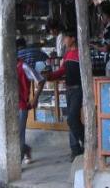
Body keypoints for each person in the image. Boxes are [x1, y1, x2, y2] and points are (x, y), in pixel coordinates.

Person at [44, 30, 84, 160]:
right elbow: (62, 70)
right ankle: (75, 149)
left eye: (66, 38)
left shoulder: (81, 53)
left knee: (71, 119)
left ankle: (86, 140)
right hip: (69, 90)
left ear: (73, 38)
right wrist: (51, 76)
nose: (64, 40)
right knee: (73, 119)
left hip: (78, 89)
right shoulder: (67, 55)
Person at [17, 39, 45, 164]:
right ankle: (26, 149)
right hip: (9, 106)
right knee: (14, 134)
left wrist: (35, 98)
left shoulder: (23, 66)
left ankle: (17, 161)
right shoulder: (5, 67)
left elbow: (41, 80)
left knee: (19, 134)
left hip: (21, 104)